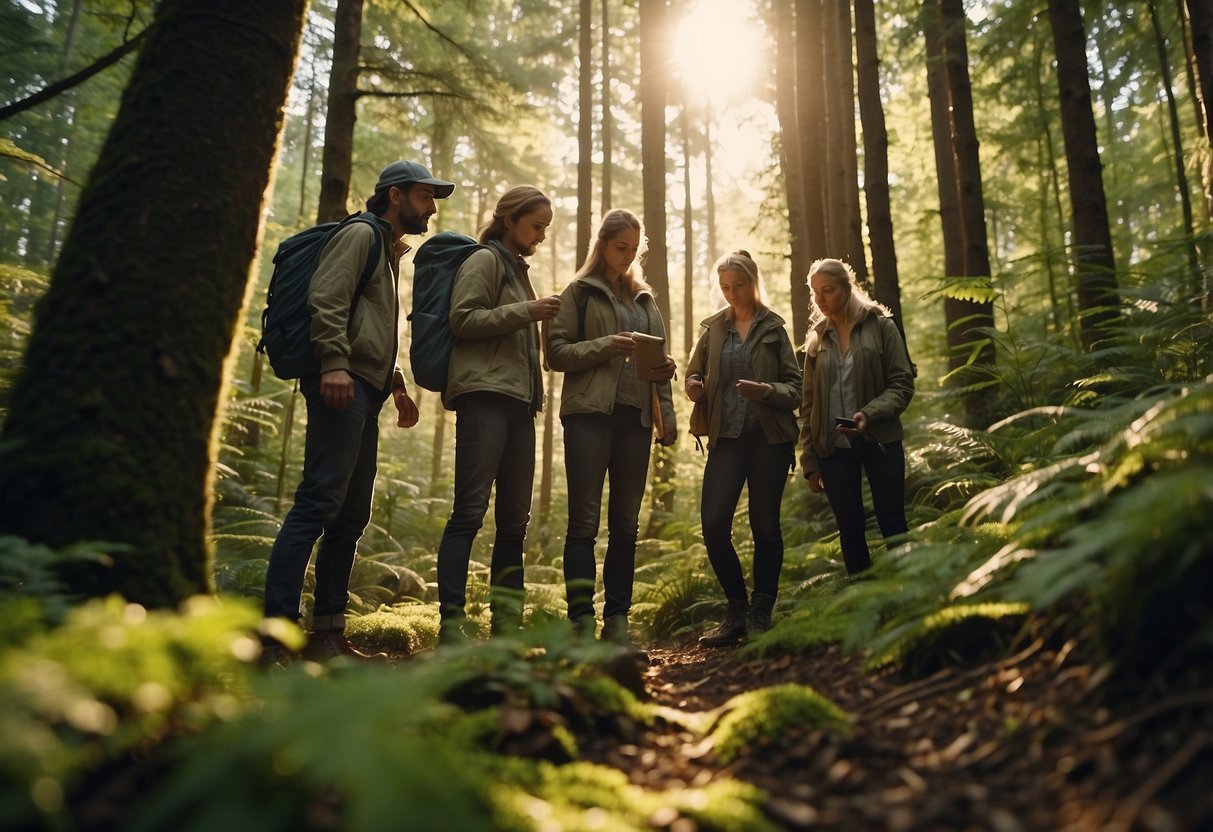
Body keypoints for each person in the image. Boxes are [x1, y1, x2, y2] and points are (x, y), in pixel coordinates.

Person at [262, 159, 454, 663]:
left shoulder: (388, 252)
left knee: (350, 514)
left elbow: (370, 326)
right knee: (319, 500)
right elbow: (327, 298)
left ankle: (326, 632)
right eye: (425, 196)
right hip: (340, 383)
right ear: (395, 195)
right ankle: (275, 635)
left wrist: (395, 385)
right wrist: (332, 364)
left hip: (365, 387)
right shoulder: (362, 235)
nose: (431, 207)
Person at [547, 209, 677, 647]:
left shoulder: (645, 300)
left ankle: (617, 623)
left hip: (636, 420)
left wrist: (667, 393)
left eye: (633, 249)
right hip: (588, 416)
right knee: (583, 523)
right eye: (620, 247)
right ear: (601, 244)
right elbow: (556, 353)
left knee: (625, 525)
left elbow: (657, 364)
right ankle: (581, 622)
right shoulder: (579, 292)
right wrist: (605, 346)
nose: (627, 256)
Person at [435, 185, 558, 643]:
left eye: (545, 228)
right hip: (483, 398)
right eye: (536, 226)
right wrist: (528, 310)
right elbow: (463, 319)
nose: (541, 236)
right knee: (468, 512)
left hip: (519, 406)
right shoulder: (484, 260)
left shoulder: (518, 270)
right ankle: (451, 627)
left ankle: (507, 629)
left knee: (514, 521)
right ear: (510, 220)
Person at [685, 251, 802, 646]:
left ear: (752, 282)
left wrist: (768, 390)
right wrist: (694, 386)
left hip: (769, 438)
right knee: (714, 524)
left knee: (765, 525)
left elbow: (796, 388)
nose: (731, 294)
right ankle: (735, 609)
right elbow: (693, 372)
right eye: (725, 287)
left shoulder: (774, 329)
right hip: (726, 439)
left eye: (738, 285)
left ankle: (760, 613)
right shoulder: (715, 328)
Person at [798, 257, 915, 576]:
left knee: (893, 521)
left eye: (828, 290)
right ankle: (865, 601)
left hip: (880, 440)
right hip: (833, 448)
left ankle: (910, 597)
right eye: (815, 292)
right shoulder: (817, 339)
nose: (821, 299)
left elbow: (902, 384)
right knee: (850, 529)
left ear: (847, 289)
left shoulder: (882, 326)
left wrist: (868, 415)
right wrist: (809, 460)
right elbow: (808, 405)